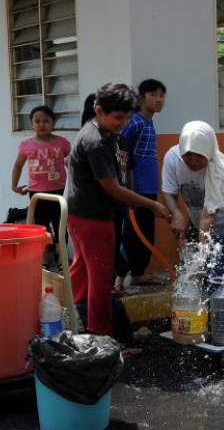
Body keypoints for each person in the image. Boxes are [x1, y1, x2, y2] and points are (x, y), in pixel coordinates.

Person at [66, 83, 171, 336]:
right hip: (93, 218)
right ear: (99, 110)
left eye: (126, 118)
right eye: (118, 118)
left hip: (81, 214)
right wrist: (151, 204)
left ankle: (79, 317)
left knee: (82, 269)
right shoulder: (96, 141)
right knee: (101, 279)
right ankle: (102, 336)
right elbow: (111, 187)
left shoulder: (103, 131)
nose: (123, 123)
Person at [162, 121, 224, 243]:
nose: (193, 161)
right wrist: (176, 213)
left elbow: (207, 217)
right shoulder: (173, 158)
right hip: (199, 220)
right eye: (188, 155)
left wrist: (202, 258)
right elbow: (168, 193)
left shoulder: (221, 168)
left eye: (199, 156)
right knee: (191, 255)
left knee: (221, 260)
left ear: (208, 152)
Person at [118, 79, 167, 289]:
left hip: (149, 187)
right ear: (141, 98)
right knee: (131, 234)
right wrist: (128, 188)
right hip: (135, 190)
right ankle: (119, 278)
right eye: (153, 95)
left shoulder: (148, 121)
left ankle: (138, 274)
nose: (158, 100)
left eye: (162, 96)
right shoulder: (135, 122)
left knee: (146, 233)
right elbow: (122, 153)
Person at [11, 105, 71, 267]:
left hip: (59, 192)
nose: (41, 124)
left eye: (46, 121)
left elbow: (70, 162)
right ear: (32, 124)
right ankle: (43, 262)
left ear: (53, 123)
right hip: (37, 194)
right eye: (37, 121)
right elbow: (18, 165)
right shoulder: (26, 145)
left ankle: (61, 261)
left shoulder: (62, 143)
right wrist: (14, 185)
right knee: (41, 229)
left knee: (60, 227)